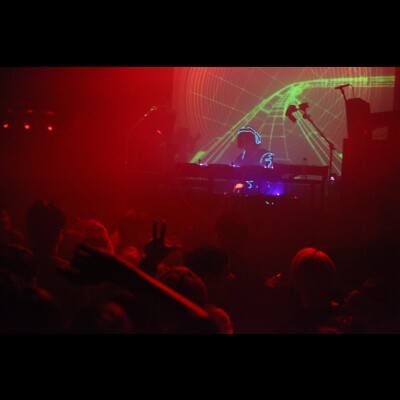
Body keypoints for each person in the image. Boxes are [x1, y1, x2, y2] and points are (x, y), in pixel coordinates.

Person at [232, 127, 275, 195]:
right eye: (242, 142)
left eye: (247, 141)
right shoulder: (240, 158)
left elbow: (268, 174)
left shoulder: (266, 155)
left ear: (254, 141)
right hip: (244, 191)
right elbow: (235, 175)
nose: (244, 144)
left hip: (262, 191)